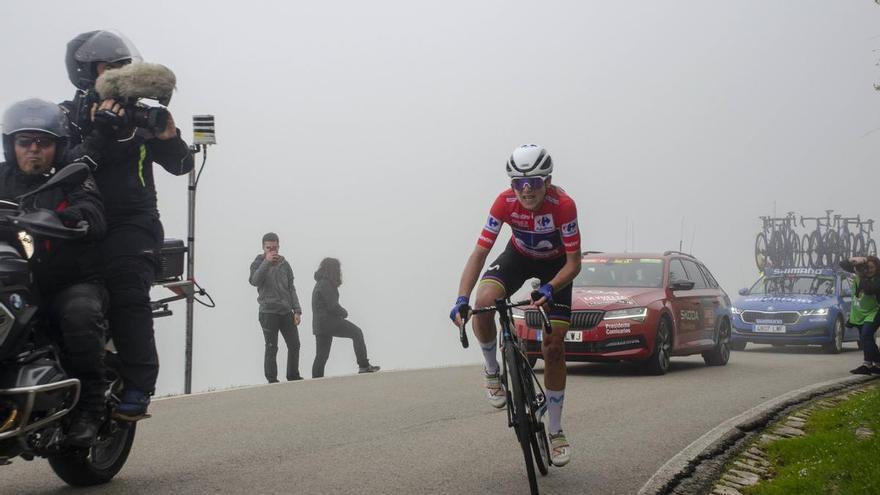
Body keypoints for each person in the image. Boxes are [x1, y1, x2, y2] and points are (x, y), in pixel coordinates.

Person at [60, 30, 195, 419]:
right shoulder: (68, 117)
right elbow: (63, 164)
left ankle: (138, 385)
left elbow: (182, 164)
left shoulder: (141, 117)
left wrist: (168, 137)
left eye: (123, 67)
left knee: (126, 289)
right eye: (109, 67)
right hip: (76, 222)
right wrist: (96, 128)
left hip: (131, 223)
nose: (119, 74)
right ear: (87, 72)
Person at [450, 144, 582, 467]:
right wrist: (461, 298)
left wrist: (551, 288)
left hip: (556, 269)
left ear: (547, 181)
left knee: (553, 347)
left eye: (535, 182)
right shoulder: (504, 203)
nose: (526, 190)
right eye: (519, 184)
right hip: (519, 258)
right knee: (483, 303)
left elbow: (574, 263)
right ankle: (492, 370)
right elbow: (479, 253)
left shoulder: (563, 206)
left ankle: (555, 431)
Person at [0, 99, 108, 446]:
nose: (34, 149)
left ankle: (89, 409)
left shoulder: (73, 176)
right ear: (11, 144)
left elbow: (92, 212)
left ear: (56, 146)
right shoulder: (1, 177)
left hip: (67, 281)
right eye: (25, 141)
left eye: (42, 142)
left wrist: (67, 219)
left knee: (79, 314)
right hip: (12, 278)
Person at [311, 258, 380, 378]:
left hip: (320, 325)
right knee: (357, 333)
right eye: (338, 269)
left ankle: (316, 381)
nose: (339, 272)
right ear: (333, 269)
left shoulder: (320, 283)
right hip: (329, 322)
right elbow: (332, 306)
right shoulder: (326, 283)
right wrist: (344, 313)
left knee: (321, 355)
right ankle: (363, 365)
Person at [249, 233, 304, 382]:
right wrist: (266, 262)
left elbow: (291, 287)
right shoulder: (258, 262)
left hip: (286, 311)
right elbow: (254, 281)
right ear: (263, 248)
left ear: (279, 246)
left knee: (295, 344)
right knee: (272, 347)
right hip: (268, 312)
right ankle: (272, 380)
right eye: (269, 248)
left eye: (275, 247)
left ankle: (293, 375)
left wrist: (297, 310)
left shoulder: (284, 264)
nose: (272, 251)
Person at [840, 255, 880, 375]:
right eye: (866, 267)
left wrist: (861, 274)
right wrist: (859, 260)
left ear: (877, 268)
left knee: (866, 334)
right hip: (859, 313)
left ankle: (870, 363)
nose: (869, 270)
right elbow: (843, 264)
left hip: (874, 312)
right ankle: (873, 364)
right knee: (865, 338)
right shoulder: (861, 273)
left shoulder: (877, 279)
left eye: (872, 267)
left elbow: (869, 289)